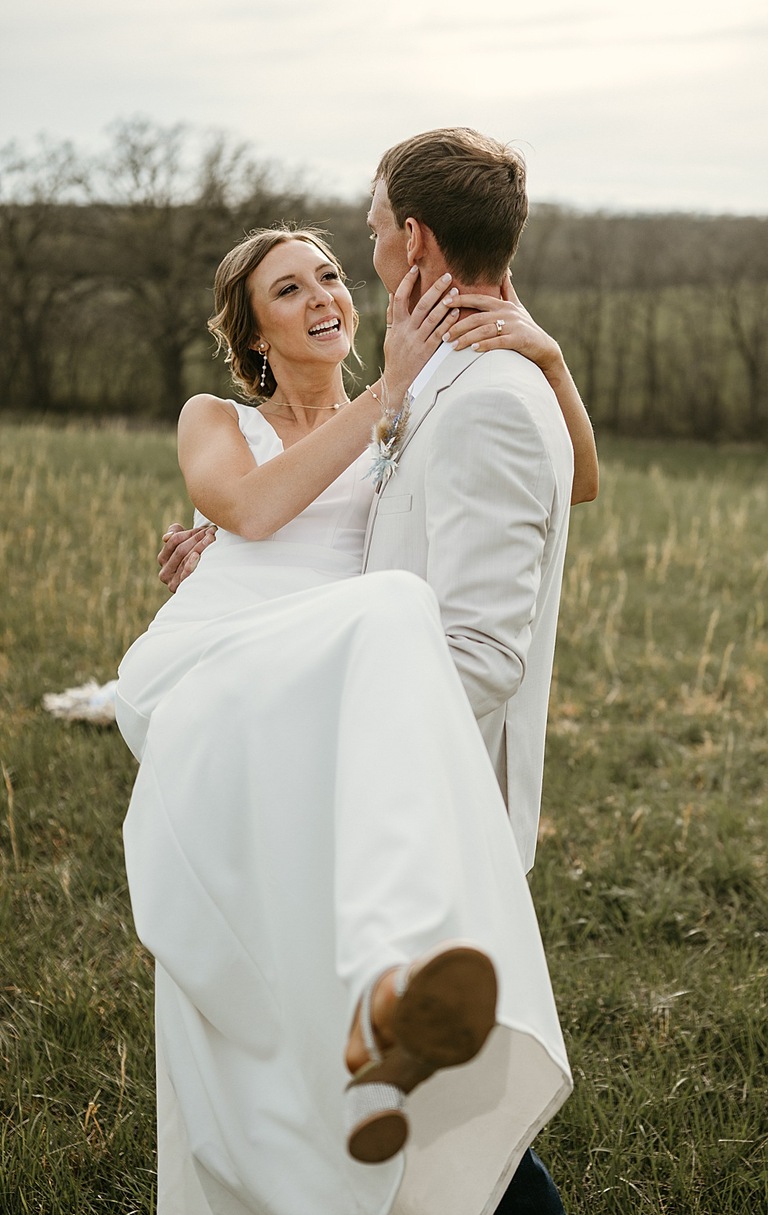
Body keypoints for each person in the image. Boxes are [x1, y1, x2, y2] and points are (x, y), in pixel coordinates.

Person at [125, 129, 597, 1215]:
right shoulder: (229, 418)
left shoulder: (409, 410)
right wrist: (227, 546)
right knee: (277, 981)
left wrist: (547, 356)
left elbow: (564, 478)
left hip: (346, 715)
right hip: (251, 695)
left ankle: (395, 1137)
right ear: (252, 332)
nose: (326, 294)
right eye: (288, 289)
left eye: (333, 270)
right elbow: (251, 507)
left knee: (326, 982)